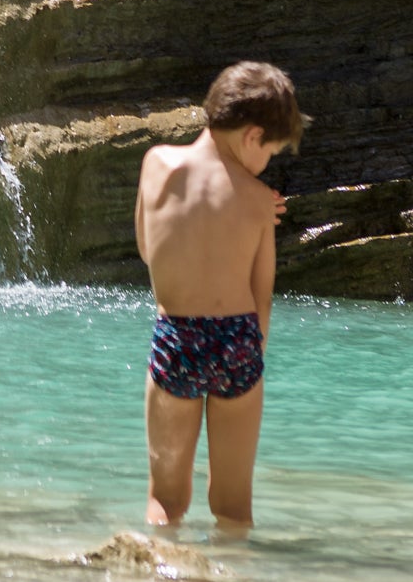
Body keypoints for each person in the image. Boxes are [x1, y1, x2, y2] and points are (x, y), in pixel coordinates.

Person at [133, 61, 305, 534]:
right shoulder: (259, 200)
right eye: (270, 150)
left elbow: (148, 249)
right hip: (238, 344)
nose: (267, 162)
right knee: (233, 506)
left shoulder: (156, 165)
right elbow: (261, 297)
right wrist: (252, 354)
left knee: (166, 499)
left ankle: (161, 561)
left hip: (178, 340)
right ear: (252, 136)